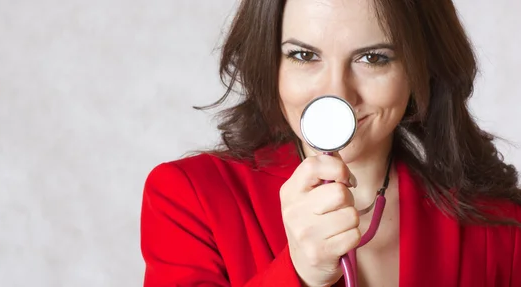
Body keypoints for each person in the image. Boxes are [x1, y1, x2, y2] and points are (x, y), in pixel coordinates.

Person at [140, 0, 521, 286]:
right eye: (304, 55)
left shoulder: (500, 229)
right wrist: (299, 274)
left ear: (423, 69)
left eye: (373, 58)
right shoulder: (189, 199)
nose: (335, 94)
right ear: (270, 64)